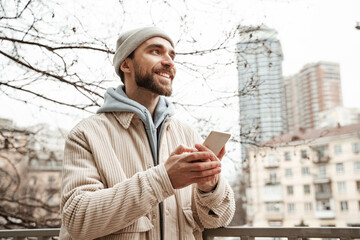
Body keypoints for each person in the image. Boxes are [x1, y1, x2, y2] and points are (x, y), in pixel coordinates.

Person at [60, 26, 235, 240]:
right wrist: (164, 179)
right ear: (126, 64)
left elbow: (217, 221)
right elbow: (78, 219)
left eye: (171, 54)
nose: (169, 61)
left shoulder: (187, 133)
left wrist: (208, 186)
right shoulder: (86, 133)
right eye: (155, 51)